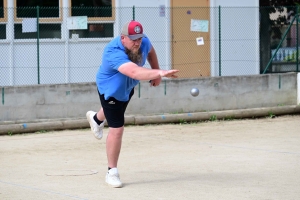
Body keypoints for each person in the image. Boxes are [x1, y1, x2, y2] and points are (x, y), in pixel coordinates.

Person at [86, 20, 179, 188]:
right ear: (123, 38)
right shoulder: (112, 51)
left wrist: (155, 72)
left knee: (116, 110)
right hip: (110, 90)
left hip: (127, 88)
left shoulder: (143, 42)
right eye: (133, 39)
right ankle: (111, 172)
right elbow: (134, 72)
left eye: (139, 38)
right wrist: (159, 73)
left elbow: (150, 51)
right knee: (117, 128)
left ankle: (97, 119)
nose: (137, 42)